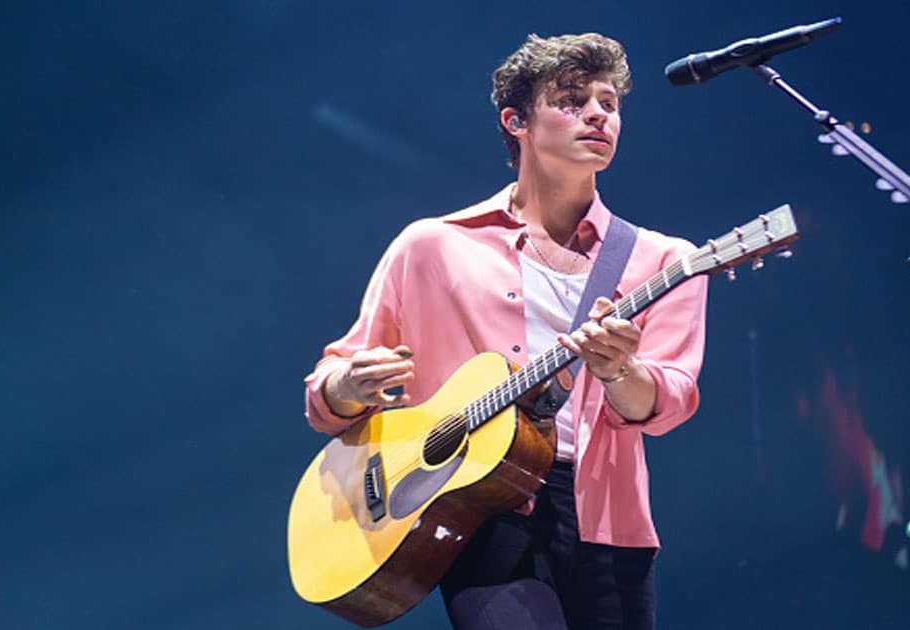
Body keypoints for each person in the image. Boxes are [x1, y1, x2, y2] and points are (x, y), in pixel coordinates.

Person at [303, 32, 707, 629]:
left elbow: (669, 403)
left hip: (607, 520)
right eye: (572, 99)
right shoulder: (433, 246)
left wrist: (619, 370)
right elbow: (330, 386)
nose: (598, 113)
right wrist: (348, 386)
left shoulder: (666, 260)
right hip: (481, 513)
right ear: (516, 120)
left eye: (609, 102)